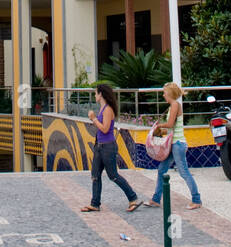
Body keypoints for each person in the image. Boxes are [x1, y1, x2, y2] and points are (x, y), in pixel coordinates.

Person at [81, 83, 140, 213]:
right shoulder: (102, 108)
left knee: (113, 175)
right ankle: (95, 203)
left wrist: (93, 119)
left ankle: (133, 198)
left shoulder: (108, 110)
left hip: (108, 147)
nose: (95, 95)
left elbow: (105, 128)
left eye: (96, 93)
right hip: (99, 146)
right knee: (95, 175)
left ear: (101, 94)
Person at [143, 82, 202, 211]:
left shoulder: (175, 105)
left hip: (178, 144)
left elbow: (170, 124)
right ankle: (156, 199)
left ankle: (196, 199)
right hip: (173, 144)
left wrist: (158, 126)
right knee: (161, 170)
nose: (163, 95)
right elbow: (172, 127)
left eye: (164, 92)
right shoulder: (172, 106)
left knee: (183, 172)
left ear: (169, 94)